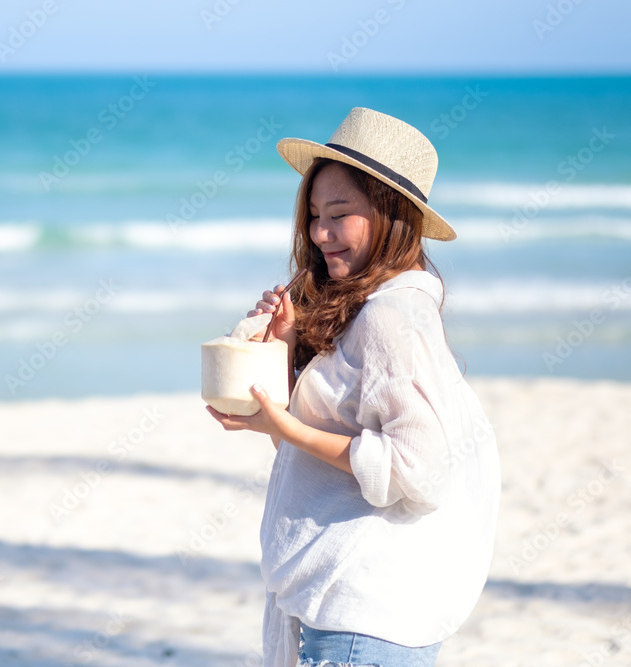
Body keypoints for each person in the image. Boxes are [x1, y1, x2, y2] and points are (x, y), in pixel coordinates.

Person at [206, 107, 500, 667]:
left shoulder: (392, 317)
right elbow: (317, 458)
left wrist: (285, 424)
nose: (319, 233)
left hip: (362, 617)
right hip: (351, 613)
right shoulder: (369, 312)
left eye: (339, 214)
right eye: (314, 215)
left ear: (391, 215)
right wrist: (287, 350)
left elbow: (419, 471)